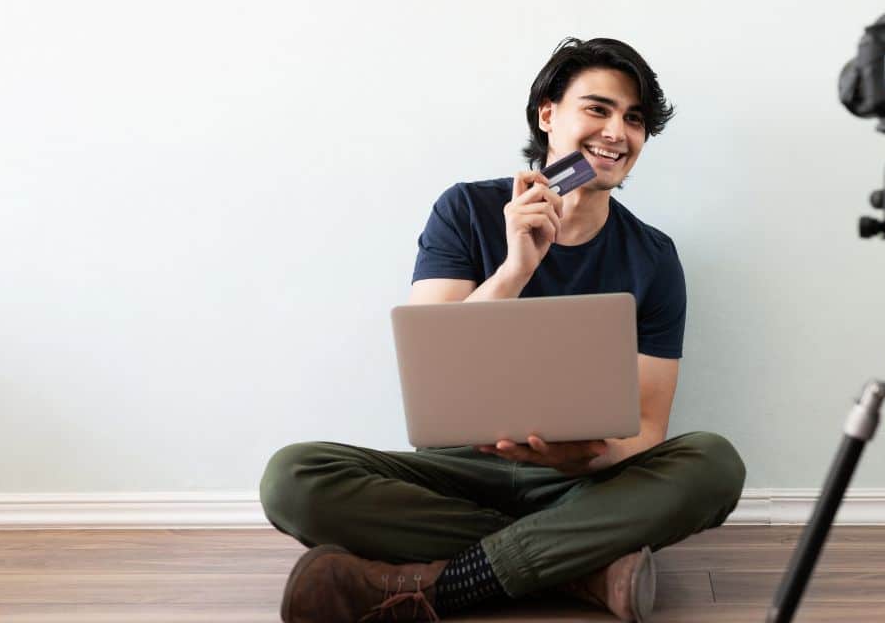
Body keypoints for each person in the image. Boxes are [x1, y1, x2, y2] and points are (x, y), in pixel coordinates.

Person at [260, 37, 746, 622]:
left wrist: (585, 459)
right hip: (461, 472)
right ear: (548, 115)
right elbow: (435, 375)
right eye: (598, 109)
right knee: (294, 478)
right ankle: (584, 566)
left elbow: (646, 428)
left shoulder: (654, 256)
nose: (617, 132)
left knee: (714, 463)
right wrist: (515, 267)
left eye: (634, 119)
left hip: (580, 485)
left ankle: (448, 585)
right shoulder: (464, 209)